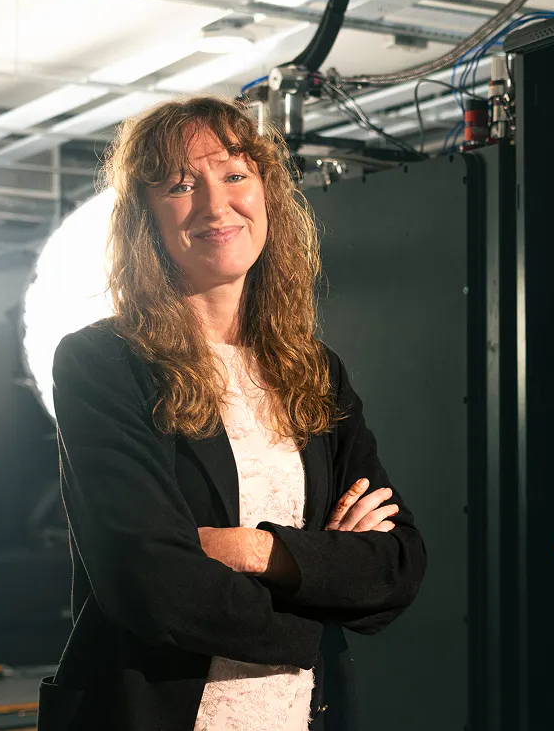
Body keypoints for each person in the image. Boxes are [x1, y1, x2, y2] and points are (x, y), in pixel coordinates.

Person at [37, 96, 427, 731]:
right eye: (181, 185)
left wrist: (252, 550)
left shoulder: (314, 369)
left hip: (302, 715)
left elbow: (400, 564)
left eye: (235, 175)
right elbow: (149, 583)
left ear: (267, 194)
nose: (216, 206)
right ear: (147, 219)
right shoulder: (103, 362)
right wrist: (321, 591)